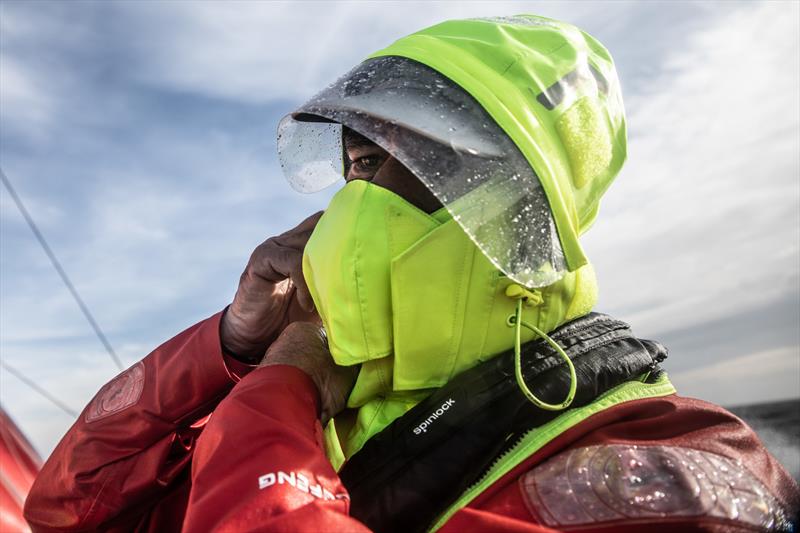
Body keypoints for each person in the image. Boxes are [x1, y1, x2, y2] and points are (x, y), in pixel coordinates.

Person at [24, 14, 799, 533]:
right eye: (360, 162)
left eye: (429, 159)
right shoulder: (336, 400)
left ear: (525, 210)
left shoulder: (676, 465)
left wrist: (273, 399)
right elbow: (68, 508)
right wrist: (231, 344)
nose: (365, 197)